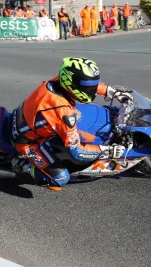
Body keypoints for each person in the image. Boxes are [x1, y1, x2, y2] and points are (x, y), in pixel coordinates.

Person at [10, 57, 133, 191]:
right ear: (72, 84)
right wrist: (107, 150)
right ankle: (21, 165)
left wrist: (110, 90)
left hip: (26, 118)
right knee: (60, 179)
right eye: (88, 88)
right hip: (27, 142)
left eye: (92, 86)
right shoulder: (63, 112)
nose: (92, 90)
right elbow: (77, 152)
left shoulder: (57, 82)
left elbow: (84, 83)